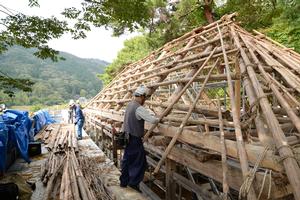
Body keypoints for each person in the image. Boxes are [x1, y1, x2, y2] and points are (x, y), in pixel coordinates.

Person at [119, 85, 158, 192]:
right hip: (134, 139)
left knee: (127, 160)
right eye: (145, 98)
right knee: (140, 162)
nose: (144, 100)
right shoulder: (139, 108)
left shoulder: (129, 105)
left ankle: (123, 182)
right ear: (142, 97)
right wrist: (159, 118)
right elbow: (152, 120)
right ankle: (133, 183)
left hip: (127, 137)